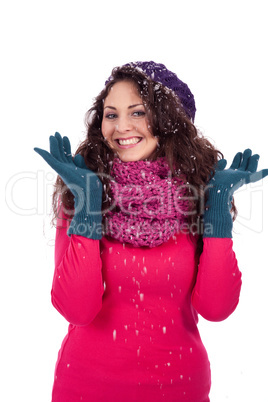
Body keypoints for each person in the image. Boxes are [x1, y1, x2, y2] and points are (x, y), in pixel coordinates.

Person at [34, 61, 268, 402]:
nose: (121, 126)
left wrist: (216, 207)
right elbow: (77, 309)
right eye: (111, 114)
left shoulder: (198, 195)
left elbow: (216, 308)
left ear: (169, 120)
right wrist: (88, 203)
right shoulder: (81, 191)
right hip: (86, 388)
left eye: (138, 112)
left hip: (180, 388)